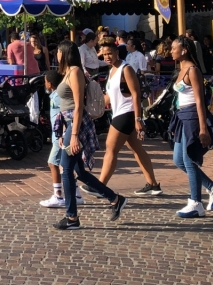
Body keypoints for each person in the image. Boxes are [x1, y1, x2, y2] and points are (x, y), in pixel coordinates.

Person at [51, 40, 127, 230]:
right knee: (80, 171)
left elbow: (78, 105)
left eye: (59, 51)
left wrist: (74, 134)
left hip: (78, 124)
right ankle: (115, 199)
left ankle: (72, 217)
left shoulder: (75, 71)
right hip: (70, 123)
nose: (57, 54)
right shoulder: (68, 71)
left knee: (66, 169)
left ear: (65, 52)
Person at [169, 35, 213, 218]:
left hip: (193, 117)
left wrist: (203, 128)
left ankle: (196, 203)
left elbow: (199, 100)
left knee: (189, 159)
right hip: (181, 116)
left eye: (174, 48)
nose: (171, 51)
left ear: (184, 50)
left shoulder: (192, 70)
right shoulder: (180, 70)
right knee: (178, 159)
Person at [95, 38, 162, 196]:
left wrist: (138, 119)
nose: (107, 57)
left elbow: (136, 94)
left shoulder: (126, 69)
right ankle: (152, 184)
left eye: (110, 53)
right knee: (136, 148)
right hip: (118, 112)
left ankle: (99, 186)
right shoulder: (112, 71)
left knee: (110, 148)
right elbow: (109, 96)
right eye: (104, 55)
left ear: (117, 52)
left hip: (128, 113)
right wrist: (92, 108)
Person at [39, 69, 78, 209]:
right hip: (61, 135)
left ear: (49, 84)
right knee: (67, 165)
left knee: (53, 163)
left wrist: (61, 134)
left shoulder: (56, 97)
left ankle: (58, 195)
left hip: (59, 137)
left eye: (45, 82)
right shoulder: (56, 95)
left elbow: (63, 115)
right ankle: (76, 193)